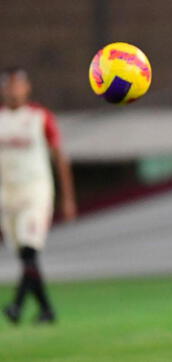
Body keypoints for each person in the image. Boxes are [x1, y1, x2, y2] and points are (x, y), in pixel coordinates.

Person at [0, 67, 77, 325]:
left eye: (17, 84)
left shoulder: (40, 117)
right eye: (8, 85)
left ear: (27, 87)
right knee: (24, 255)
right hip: (6, 195)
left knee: (30, 250)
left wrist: (67, 197)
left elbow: (59, 157)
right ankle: (46, 310)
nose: (13, 90)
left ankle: (17, 305)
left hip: (36, 191)